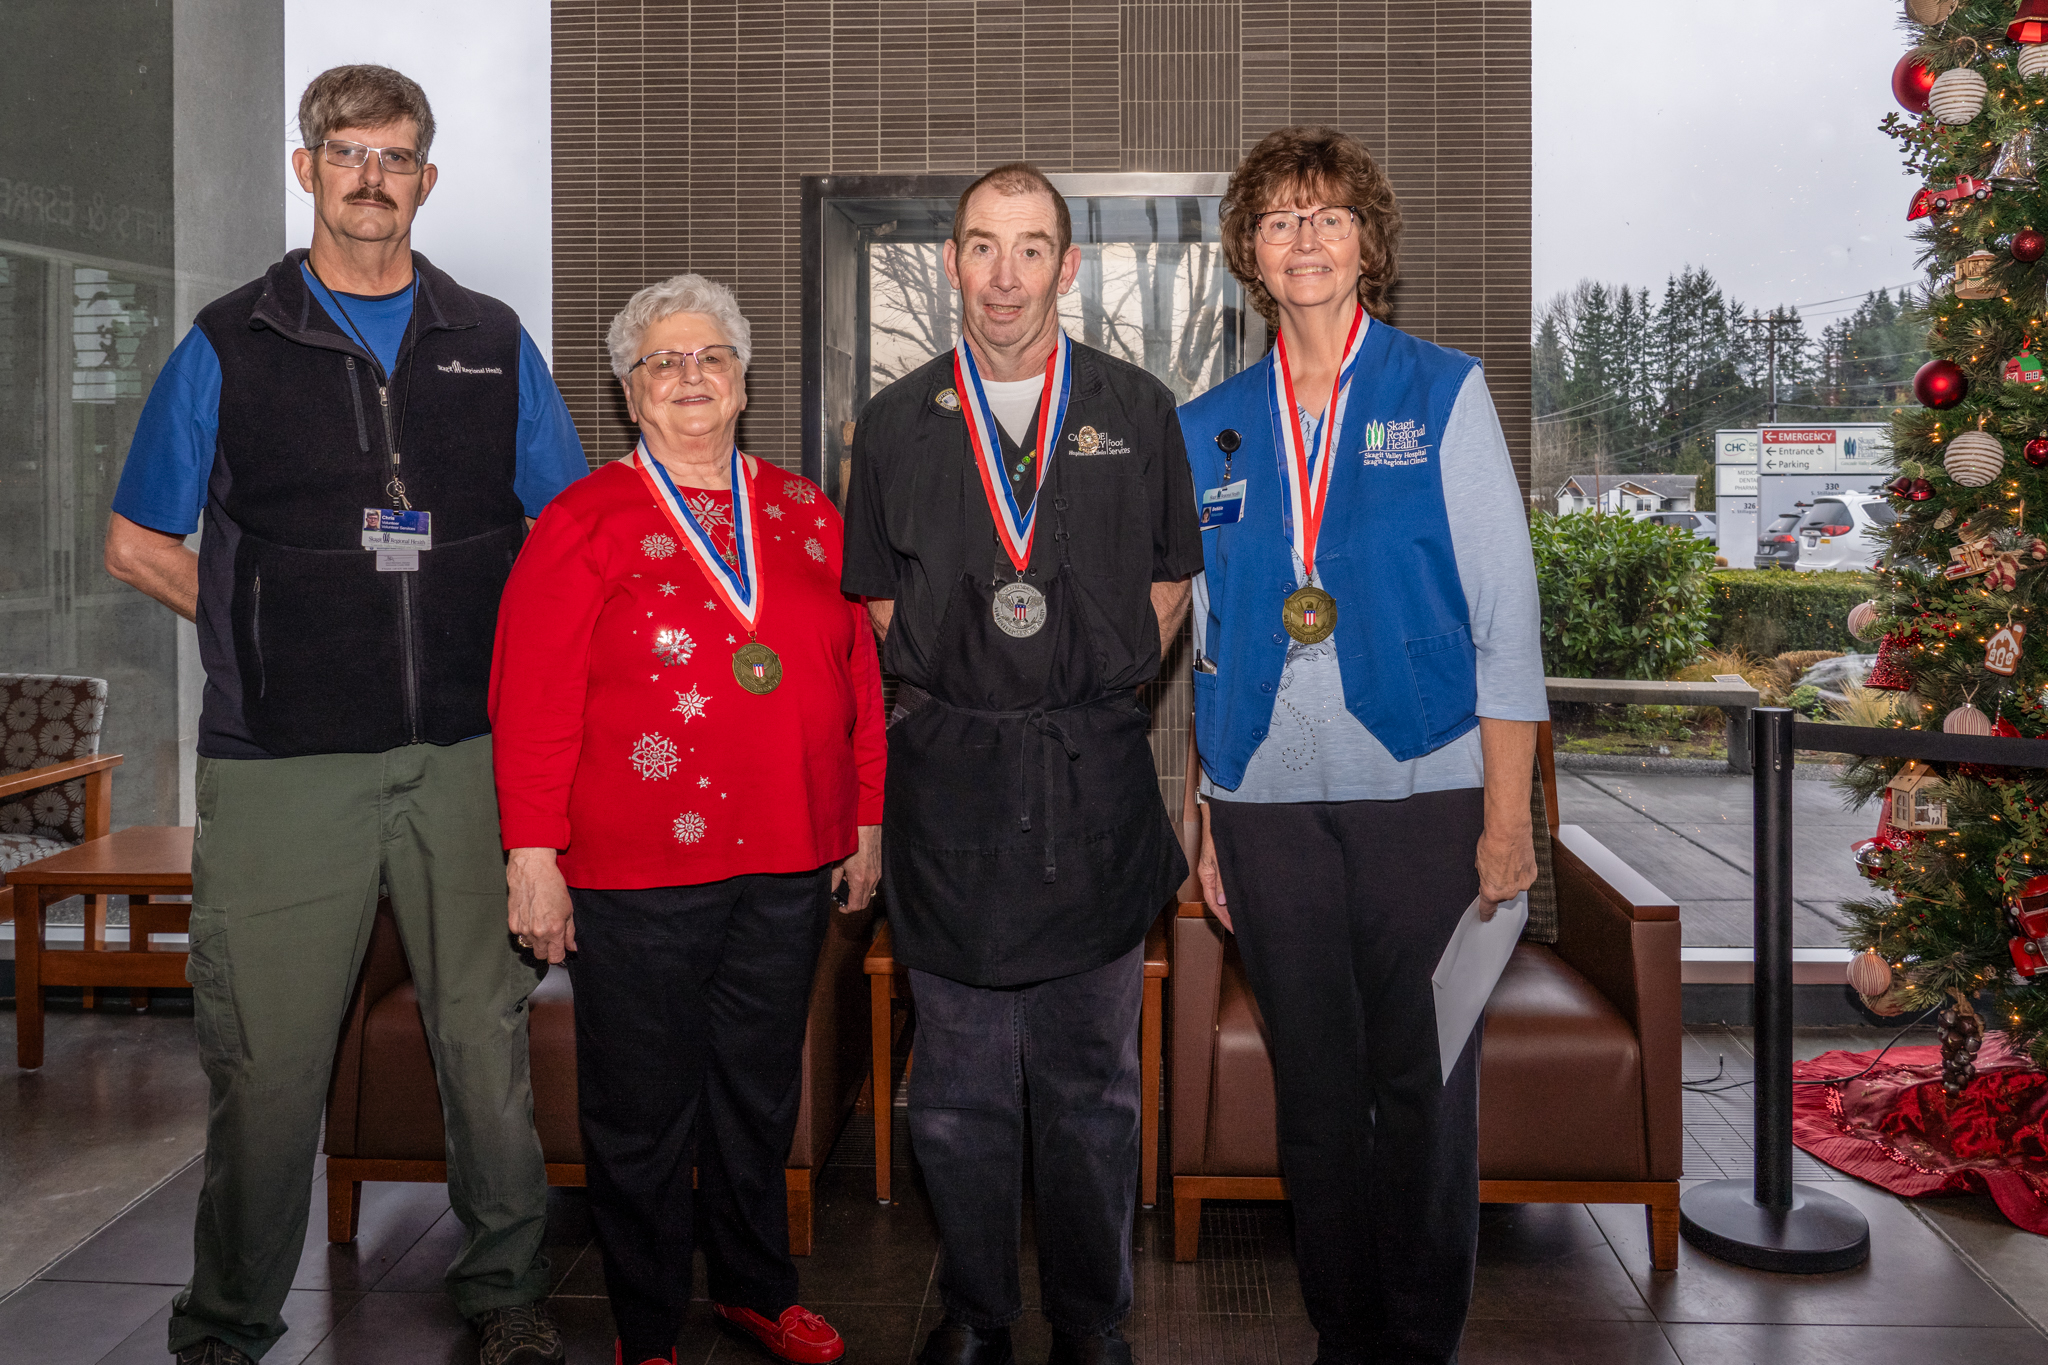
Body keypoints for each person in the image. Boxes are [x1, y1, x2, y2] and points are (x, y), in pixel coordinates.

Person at [103, 66, 587, 1365]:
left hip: (465, 757)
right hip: (283, 769)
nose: (372, 175)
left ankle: (506, 1298)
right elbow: (138, 539)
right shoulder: (226, 341)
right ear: (304, 166)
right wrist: (253, 623)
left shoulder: (489, 339)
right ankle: (224, 1326)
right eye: (346, 151)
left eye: (397, 155)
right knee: (265, 1064)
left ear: (426, 180)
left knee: (483, 1043)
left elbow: (572, 533)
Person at [1177, 126, 1546, 1365]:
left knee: (1424, 1085)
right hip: (1262, 803)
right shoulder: (1211, 424)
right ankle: (1344, 1334)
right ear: (1249, 251)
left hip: (1423, 793)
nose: (1303, 239)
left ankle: (1421, 1335)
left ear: (1366, 243)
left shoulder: (1439, 389)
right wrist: (1202, 801)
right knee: (1319, 1100)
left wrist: (1506, 818)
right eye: (1278, 220)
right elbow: (1212, 631)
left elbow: (1506, 622)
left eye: (1327, 216)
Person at [841, 163, 1203, 1365]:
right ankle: (979, 1311)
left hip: (1091, 784)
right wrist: (979, 691)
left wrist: (1083, 683)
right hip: (947, 791)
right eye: (982, 246)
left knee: (1093, 1087)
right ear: (950, 261)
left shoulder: (1138, 410)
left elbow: (1168, 588)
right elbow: (879, 610)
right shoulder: (892, 422)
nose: (1005, 274)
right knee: (953, 1089)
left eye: (1031, 247)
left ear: (1068, 264)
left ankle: (1092, 1317)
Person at [489, 274, 884, 1365]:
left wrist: (867, 818)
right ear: (628, 393)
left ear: (745, 382)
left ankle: (756, 1288)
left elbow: (858, 676)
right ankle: (648, 1324)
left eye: (710, 357)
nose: (689, 378)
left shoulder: (806, 512)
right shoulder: (582, 520)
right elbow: (530, 699)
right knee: (641, 1113)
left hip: (790, 859)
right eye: (663, 362)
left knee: (757, 1093)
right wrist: (533, 855)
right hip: (632, 872)